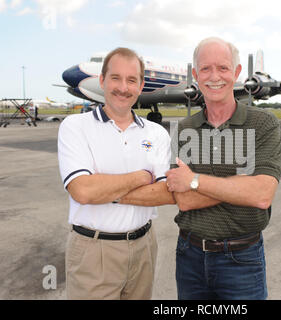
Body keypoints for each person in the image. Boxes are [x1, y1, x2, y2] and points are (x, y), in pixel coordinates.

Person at [165, 37, 281, 300]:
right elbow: (183, 200)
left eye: (223, 68)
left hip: (242, 259)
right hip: (189, 257)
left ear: (237, 73)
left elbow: (261, 195)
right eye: (205, 69)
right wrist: (240, 186)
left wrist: (194, 179)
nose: (214, 76)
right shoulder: (184, 129)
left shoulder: (264, 123)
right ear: (195, 75)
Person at [57, 47, 172, 300]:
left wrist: (105, 188)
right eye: (115, 78)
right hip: (93, 250)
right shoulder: (75, 126)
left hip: (144, 247)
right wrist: (142, 177)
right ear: (102, 81)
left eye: (131, 80)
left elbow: (165, 193)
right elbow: (83, 191)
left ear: (141, 86)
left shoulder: (158, 133)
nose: (123, 87)